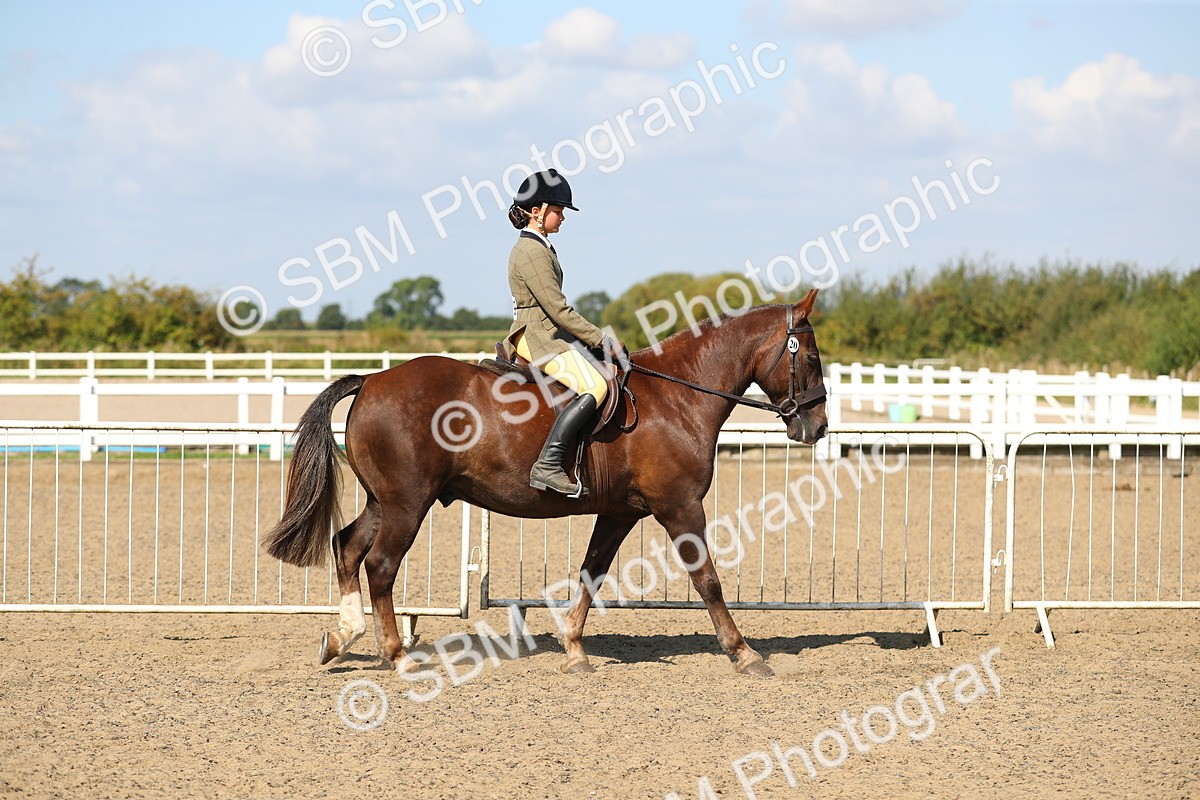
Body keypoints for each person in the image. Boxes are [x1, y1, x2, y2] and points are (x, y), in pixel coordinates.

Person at [504, 169, 624, 496]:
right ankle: (548, 464)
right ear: (536, 211)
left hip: (548, 333)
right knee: (595, 385)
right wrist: (602, 340)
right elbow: (558, 310)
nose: (562, 218)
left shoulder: (541, 246)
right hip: (537, 336)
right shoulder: (531, 251)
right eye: (558, 211)